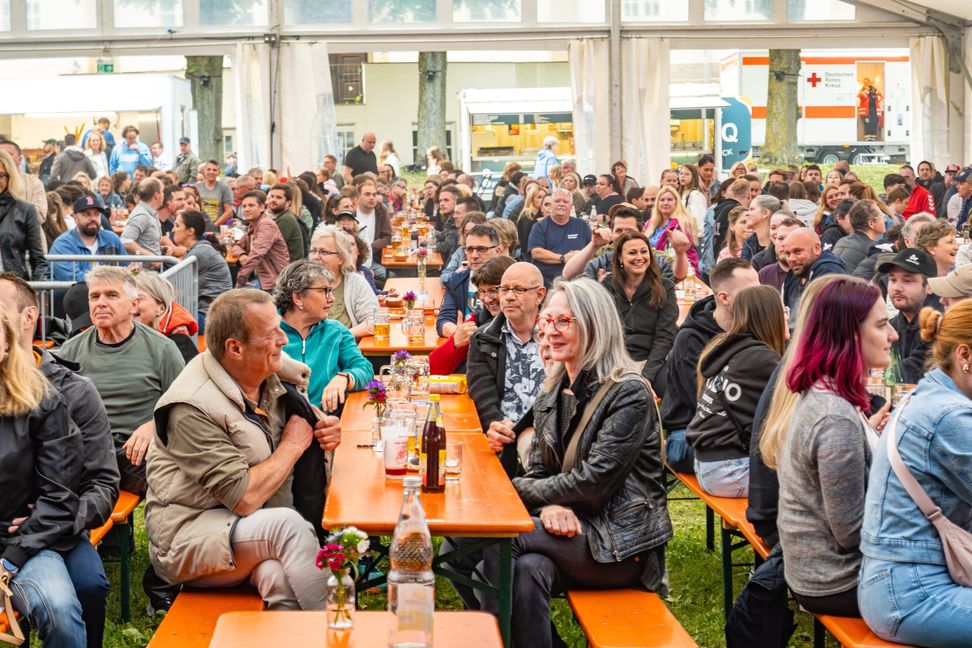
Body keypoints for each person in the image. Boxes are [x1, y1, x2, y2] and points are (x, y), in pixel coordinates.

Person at [500, 277, 672, 648]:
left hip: (622, 544)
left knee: (493, 542)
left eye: (564, 322)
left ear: (595, 325)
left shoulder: (628, 391)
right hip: (570, 534)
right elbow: (543, 470)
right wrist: (550, 504)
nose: (551, 331)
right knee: (525, 570)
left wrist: (516, 491)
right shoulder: (553, 389)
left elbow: (593, 484)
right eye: (548, 321)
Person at [144, 289, 339, 610]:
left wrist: (325, 436)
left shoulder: (264, 378)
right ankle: (338, 629)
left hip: (243, 531)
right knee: (286, 528)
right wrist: (293, 444)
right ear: (234, 348)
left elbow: (296, 436)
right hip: (187, 538)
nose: (284, 340)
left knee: (277, 575)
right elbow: (244, 497)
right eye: (272, 333)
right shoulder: (191, 406)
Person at [761, 277, 897, 617]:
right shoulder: (835, 417)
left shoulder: (825, 393)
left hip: (816, 571)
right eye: (881, 325)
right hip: (837, 581)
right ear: (850, 335)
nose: (893, 335)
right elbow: (851, 532)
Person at [0, 273, 119, 648]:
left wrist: (57, 518)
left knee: (88, 586)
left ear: (26, 318)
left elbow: (102, 481)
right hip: (27, 522)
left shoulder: (69, 390)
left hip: (60, 523)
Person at [858, 301, 972, 646]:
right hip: (912, 593)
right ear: (965, 355)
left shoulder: (930, 395)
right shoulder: (948, 415)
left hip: (901, 582)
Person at [0, 302, 87, 648]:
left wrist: (10, 560)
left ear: (7, 343)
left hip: (20, 541)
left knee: (61, 612)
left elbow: (60, 496)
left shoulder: (42, 403)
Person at [57, 266, 185, 496]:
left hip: (139, 452)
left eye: (112, 295)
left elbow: (184, 406)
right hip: (88, 452)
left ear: (134, 304)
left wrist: (154, 425)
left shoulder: (162, 348)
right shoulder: (70, 351)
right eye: (94, 296)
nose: (101, 303)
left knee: (180, 485)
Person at [686, 285, 786, 498]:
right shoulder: (762, 358)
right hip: (731, 470)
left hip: (706, 465)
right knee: (811, 484)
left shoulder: (724, 346)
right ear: (772, 316)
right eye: (783, 311)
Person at [662, 258, 760, 473]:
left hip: (738, 429)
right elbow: (704, 404)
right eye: (752, 291)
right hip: (688, 431)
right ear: (724, 298)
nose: (759, 297)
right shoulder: (691, 340)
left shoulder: (754, 328)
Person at [275, 260, 372, 413]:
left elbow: (365, 369)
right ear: (298, 297)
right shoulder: (269, 332)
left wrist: (345, 377)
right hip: (281, 428)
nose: (331, 298)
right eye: (324, 291)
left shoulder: (335, 331)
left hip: (328, 422)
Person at [468, 261, 546, 439]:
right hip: (503, 438)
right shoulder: (483, 339)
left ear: (539, 295)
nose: (509, 297)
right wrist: (494, 426)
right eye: (504, 289)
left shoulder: (556, 336)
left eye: (519, 289)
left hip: (549, 438)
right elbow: (483, 395)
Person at [599, 230, 677, 390]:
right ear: (620, 257)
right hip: (616, 362)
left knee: (674, 389)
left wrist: (647, 376)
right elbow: (601, 333)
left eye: (644, 251)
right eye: (632, 253)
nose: (639, 257)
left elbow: (665, 337)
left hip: (652, 361)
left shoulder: (665, 287)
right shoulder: (607, 287)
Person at [429, 256, 514, 376]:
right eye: (482, 292)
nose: (487, 299)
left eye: (493, 290)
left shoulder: (538, 325)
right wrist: (455, 342)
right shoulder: (476, 323)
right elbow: (432, 369)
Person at [308, 225, 379, 340]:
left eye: (323, 252)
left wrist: (339, 336)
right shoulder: (301, 285)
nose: (316, 256)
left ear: (341, 258)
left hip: (346, 352)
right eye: (313, 251)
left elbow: (374, 322)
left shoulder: (356, 283)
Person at [879, 248, 937, 383]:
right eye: (893, 280)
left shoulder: (939, 326)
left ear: (929, 287)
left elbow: (912, 373)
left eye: (908, 281)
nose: (897, 288)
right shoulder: (891, 325)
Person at [436, 224, 503, 337]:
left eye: (481, 249)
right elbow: (443, 321)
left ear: (498, 250)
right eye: (470, 249)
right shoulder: (458, 279)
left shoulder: (510, 280)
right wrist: (460, 333)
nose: (474, 255)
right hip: (468, 345)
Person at [171, 210, 232, 331]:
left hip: (211, 318)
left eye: (177, 226)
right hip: (212, 313)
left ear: (190, 231)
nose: (173, 230)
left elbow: (173, 284)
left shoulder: (199, 253)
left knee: (161, 320)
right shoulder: (198, 249)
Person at [49, 193, 125, 281]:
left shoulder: (112, 239)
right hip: (74, 294)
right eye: (86, 214)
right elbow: (73, 279)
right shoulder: (63, 244)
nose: (93, 218)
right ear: (75, 217)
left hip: (109, 293)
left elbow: (127, 269)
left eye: (96, 214)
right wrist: (111, 280)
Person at [781, 228, 846, 328]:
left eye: (798, 252)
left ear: (817, 248)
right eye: (788, 254)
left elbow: (829, 325)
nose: (791, 259)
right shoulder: (794, 276)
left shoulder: (829, 273)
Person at [527, 188, 593, 287]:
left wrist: (581, 255)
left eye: (565, 201)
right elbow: (536, 252)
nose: (561, 204)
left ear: (571, 206)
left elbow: (592, 248)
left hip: (578, 282)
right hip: (549, 281)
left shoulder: (582, 225)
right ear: (551, 205)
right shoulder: (540, 226)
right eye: (557, 201)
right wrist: (563, 258)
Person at [0, 149, 48, 280]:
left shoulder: (25, 210)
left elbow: (38, 260)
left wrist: (35, 291)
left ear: (9, 177)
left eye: (1, 175)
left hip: (13, 286)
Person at [135, 272, 200, 364]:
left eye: (139, 299)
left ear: (161, 309)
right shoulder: (117, 333)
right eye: (129, 298)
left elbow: (193, 376)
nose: (131, 304)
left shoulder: (178, 341)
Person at [232, 191, 290, 290]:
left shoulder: (266, 225)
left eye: (251, 205)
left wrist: (241, 278)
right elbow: (237, 245)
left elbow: (257, 254)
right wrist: (242, 255)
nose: (246, 209)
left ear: (262, 207)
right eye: (244, 206)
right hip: (260, 277)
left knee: (234, 298)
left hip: (274, 281)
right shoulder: (254, 225)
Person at [644, 185, 701, 274]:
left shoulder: (683, 223)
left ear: (676, 202)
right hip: (652, 271)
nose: (665, 203)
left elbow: (684, 250)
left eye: (669, 200)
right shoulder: (649, 224)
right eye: (662, 200)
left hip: (677, 271)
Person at [833, 199, 887, 273]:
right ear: (871, 223)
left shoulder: (841, 241)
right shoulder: (873, 250)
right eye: (882, 216)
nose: (885, 220)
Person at [0, 140, 47, 221]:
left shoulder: (33, 183)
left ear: (20, 159)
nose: (5, 158)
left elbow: (40, 215)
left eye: (9, 154)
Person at [120, 177, 164, 257]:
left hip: (155, 267)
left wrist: (161, 249)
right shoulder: (142, 215)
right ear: (156, 195)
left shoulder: (150, 212)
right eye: (162, 192)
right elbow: (125, 241)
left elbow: (146, 243)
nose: (163, 194)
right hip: (145, 268)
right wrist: (150, 257)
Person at [712, 178, 753, 258]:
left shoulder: (721, 208)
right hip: (730, 253)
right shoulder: (735, 210)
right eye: (743, 222)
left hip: (718, 252)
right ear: (749, 196)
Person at [740, 195, 780, 266]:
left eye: (751, 209)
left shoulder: (780, 244)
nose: (747, 214)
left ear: (765, 213)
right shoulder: (748, 242)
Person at [678, 164, 707, 232]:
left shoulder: (695, 195)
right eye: (681, 173)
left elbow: (699, 220)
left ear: (693, 177)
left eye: (687, 174)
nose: (682, 176)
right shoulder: (681, 194)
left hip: (694, 236)